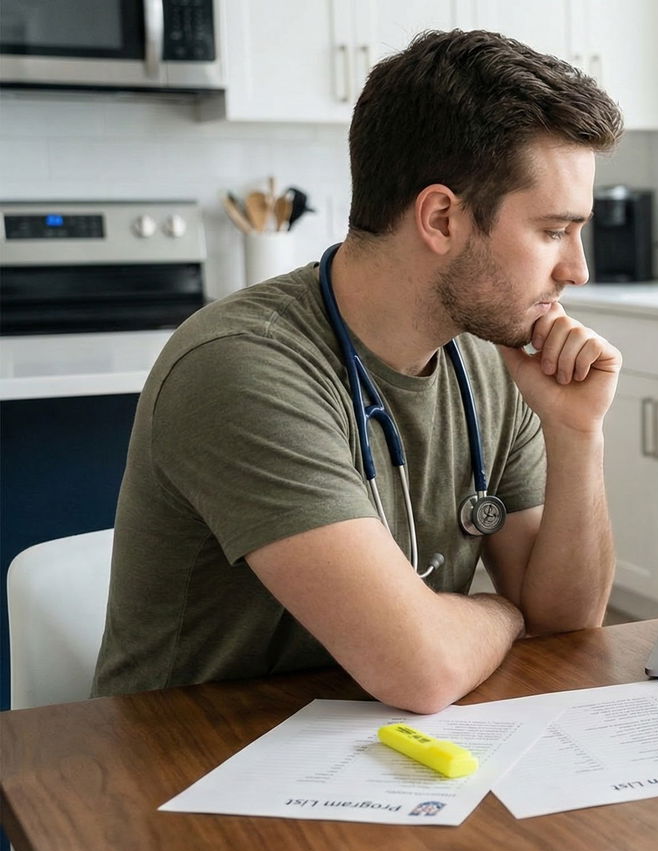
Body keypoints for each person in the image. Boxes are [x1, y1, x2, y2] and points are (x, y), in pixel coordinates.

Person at [93, 30, 626, 714]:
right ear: (440, 218)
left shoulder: (491, 362)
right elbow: (424, 670)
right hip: (186, 764)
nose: (578, 269)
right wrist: (500, 613)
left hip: (378, 747)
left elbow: (566, 621)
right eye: (554, 231)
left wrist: (577, 433)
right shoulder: (241, 367)